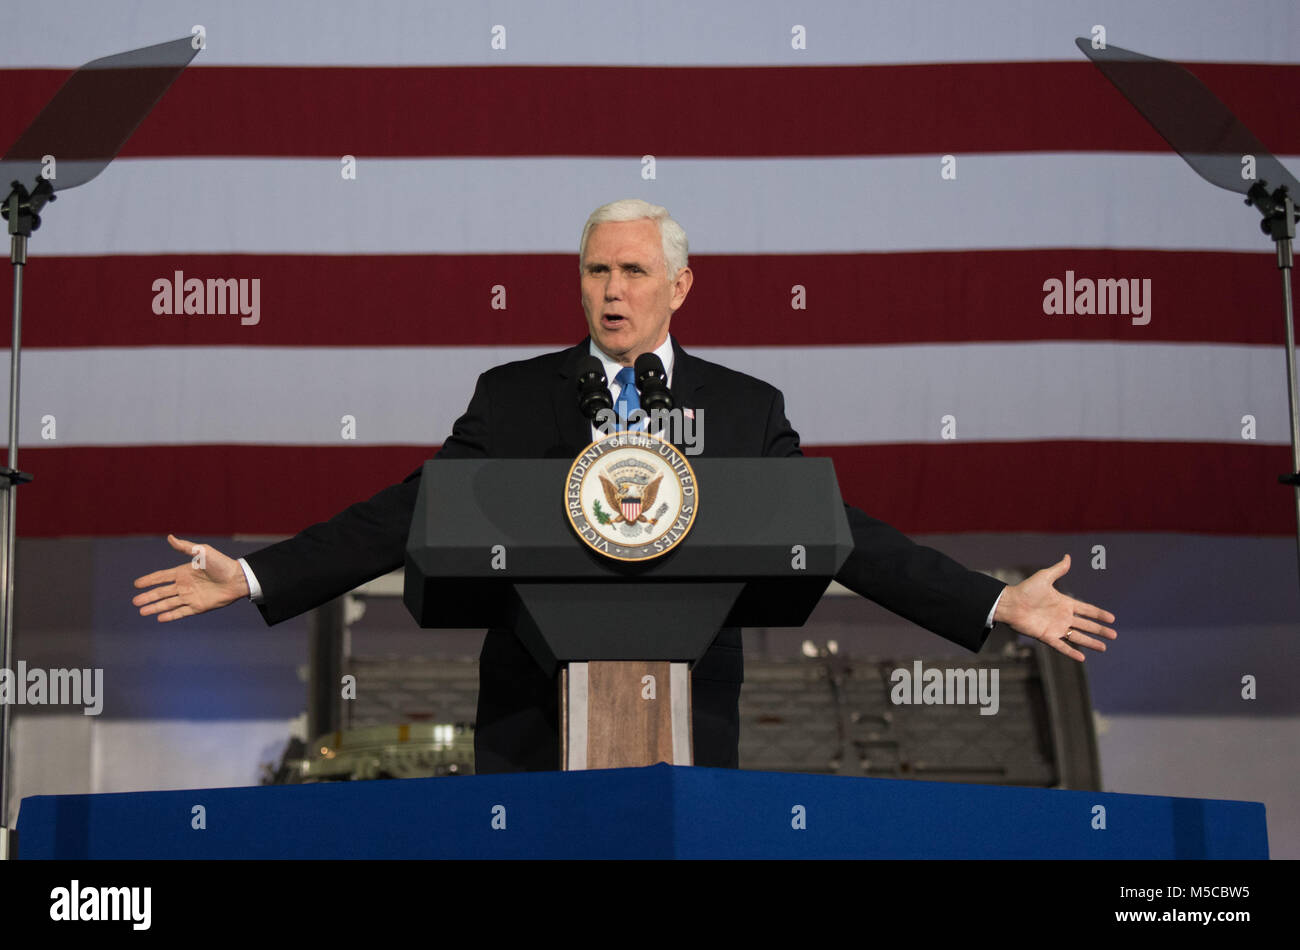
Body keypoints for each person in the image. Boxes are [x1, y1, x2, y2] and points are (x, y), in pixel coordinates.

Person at [133, 198, 1117, 772]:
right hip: (530, 718)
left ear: (680, 285)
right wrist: (259, 577)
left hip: (691, 718)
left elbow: (839, 530)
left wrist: (991, 599)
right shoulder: (515, 396)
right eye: (595, 269)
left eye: (634, 271)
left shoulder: (741, 408)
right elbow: (407, 511)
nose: (612, 290)